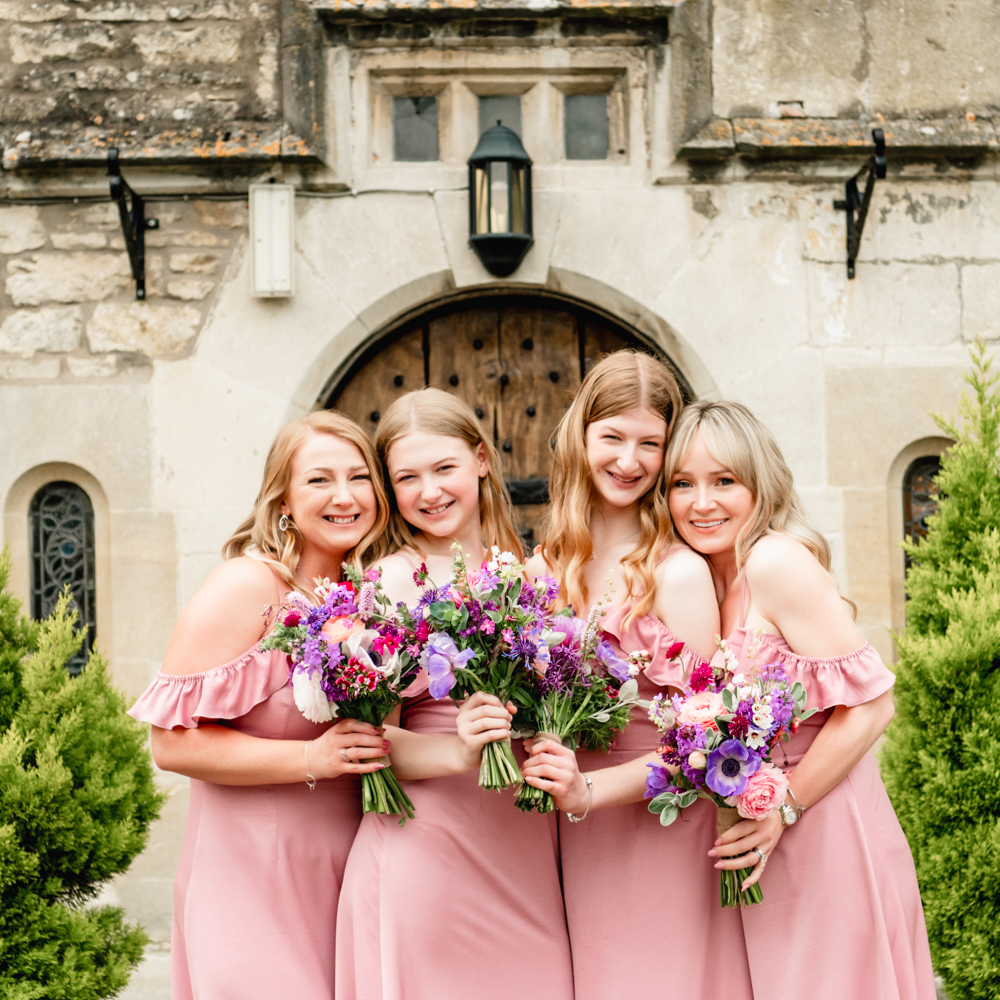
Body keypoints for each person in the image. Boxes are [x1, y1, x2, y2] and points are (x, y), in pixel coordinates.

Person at [664, 399, 936, 999]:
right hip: (764, 837)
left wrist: (782, 807)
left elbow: (874, 706)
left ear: (759, 484)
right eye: (683, 483)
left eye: (724, 481)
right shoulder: (707, 579)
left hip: (827, 829)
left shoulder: (774, 561)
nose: (701, 503)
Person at [128, 411, 390, 1000]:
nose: (344, 496)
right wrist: (313, 758)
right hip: (249, 882)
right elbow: (171, 745)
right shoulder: (247, 586)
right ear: (283, 500)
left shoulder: (372, 600)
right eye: (319, 480)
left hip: (348, 874)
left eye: (359, 478)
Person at [522, 351, 753, 999]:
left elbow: (708, 737)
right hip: (575, 836)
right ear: (581, 436)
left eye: (650, 443)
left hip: (664, 824)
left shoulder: (677, 572)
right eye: (613, 437)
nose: (629, 460)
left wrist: (589, 791)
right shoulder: (545, 568)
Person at [335, 387, 574, 1000]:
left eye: (444, 468)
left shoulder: (529, 573)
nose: (430, 491)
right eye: (407, 478)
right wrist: (460, 750)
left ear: (481, 460)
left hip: (523, 850)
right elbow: (366, 742)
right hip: (428, 849)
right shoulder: (391, 579)